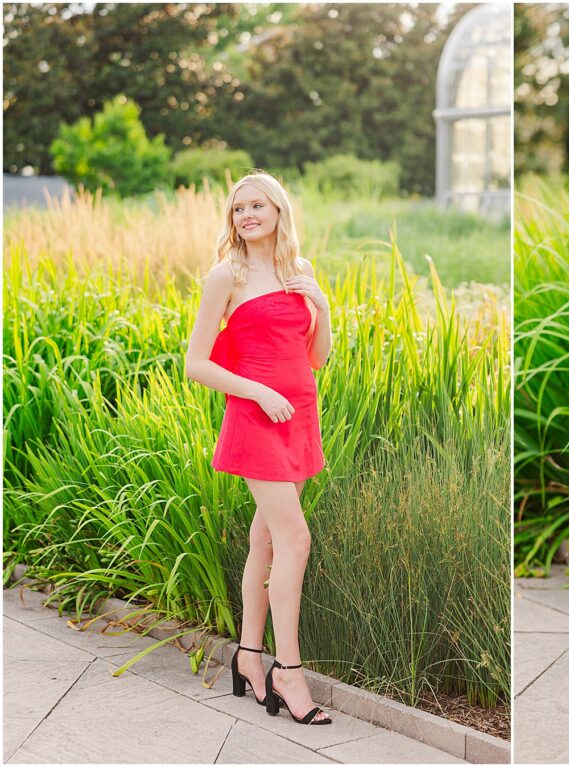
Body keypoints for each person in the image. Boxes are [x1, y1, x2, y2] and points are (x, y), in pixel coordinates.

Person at [185, 170, 333, 725]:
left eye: (257, 206)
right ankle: (288, 672)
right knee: (295, 537)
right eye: (238, 208)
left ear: (278, 211)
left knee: (266, 539)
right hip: (256, 417)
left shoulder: (301, 271)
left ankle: (249, 656)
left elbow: (317, 357)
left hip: (300, 415)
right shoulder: (227, 275)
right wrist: (259, 392)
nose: (246, 215)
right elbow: (195, 363)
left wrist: (323, 304)